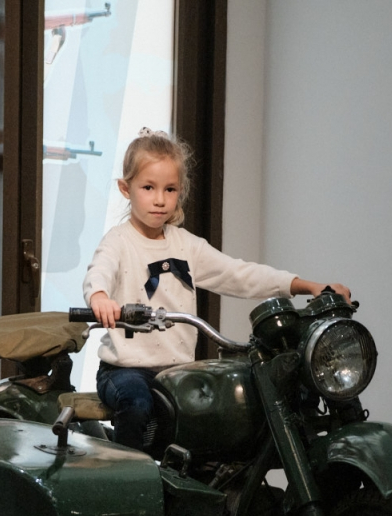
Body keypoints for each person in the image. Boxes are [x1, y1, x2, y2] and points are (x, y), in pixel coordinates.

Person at [84, 129, 351, 451]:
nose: (160, 199)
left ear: (180, 191)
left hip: (178, 371)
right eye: (148, 187)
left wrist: (305, 285)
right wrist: (100, 297)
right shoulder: (119, 241)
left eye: (170, 189)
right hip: (125, 369)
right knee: (137, 403)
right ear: (125, 189)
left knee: (219, 413)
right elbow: (99, 272)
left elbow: (240, 274)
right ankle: (126, 472)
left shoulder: (186, 245)